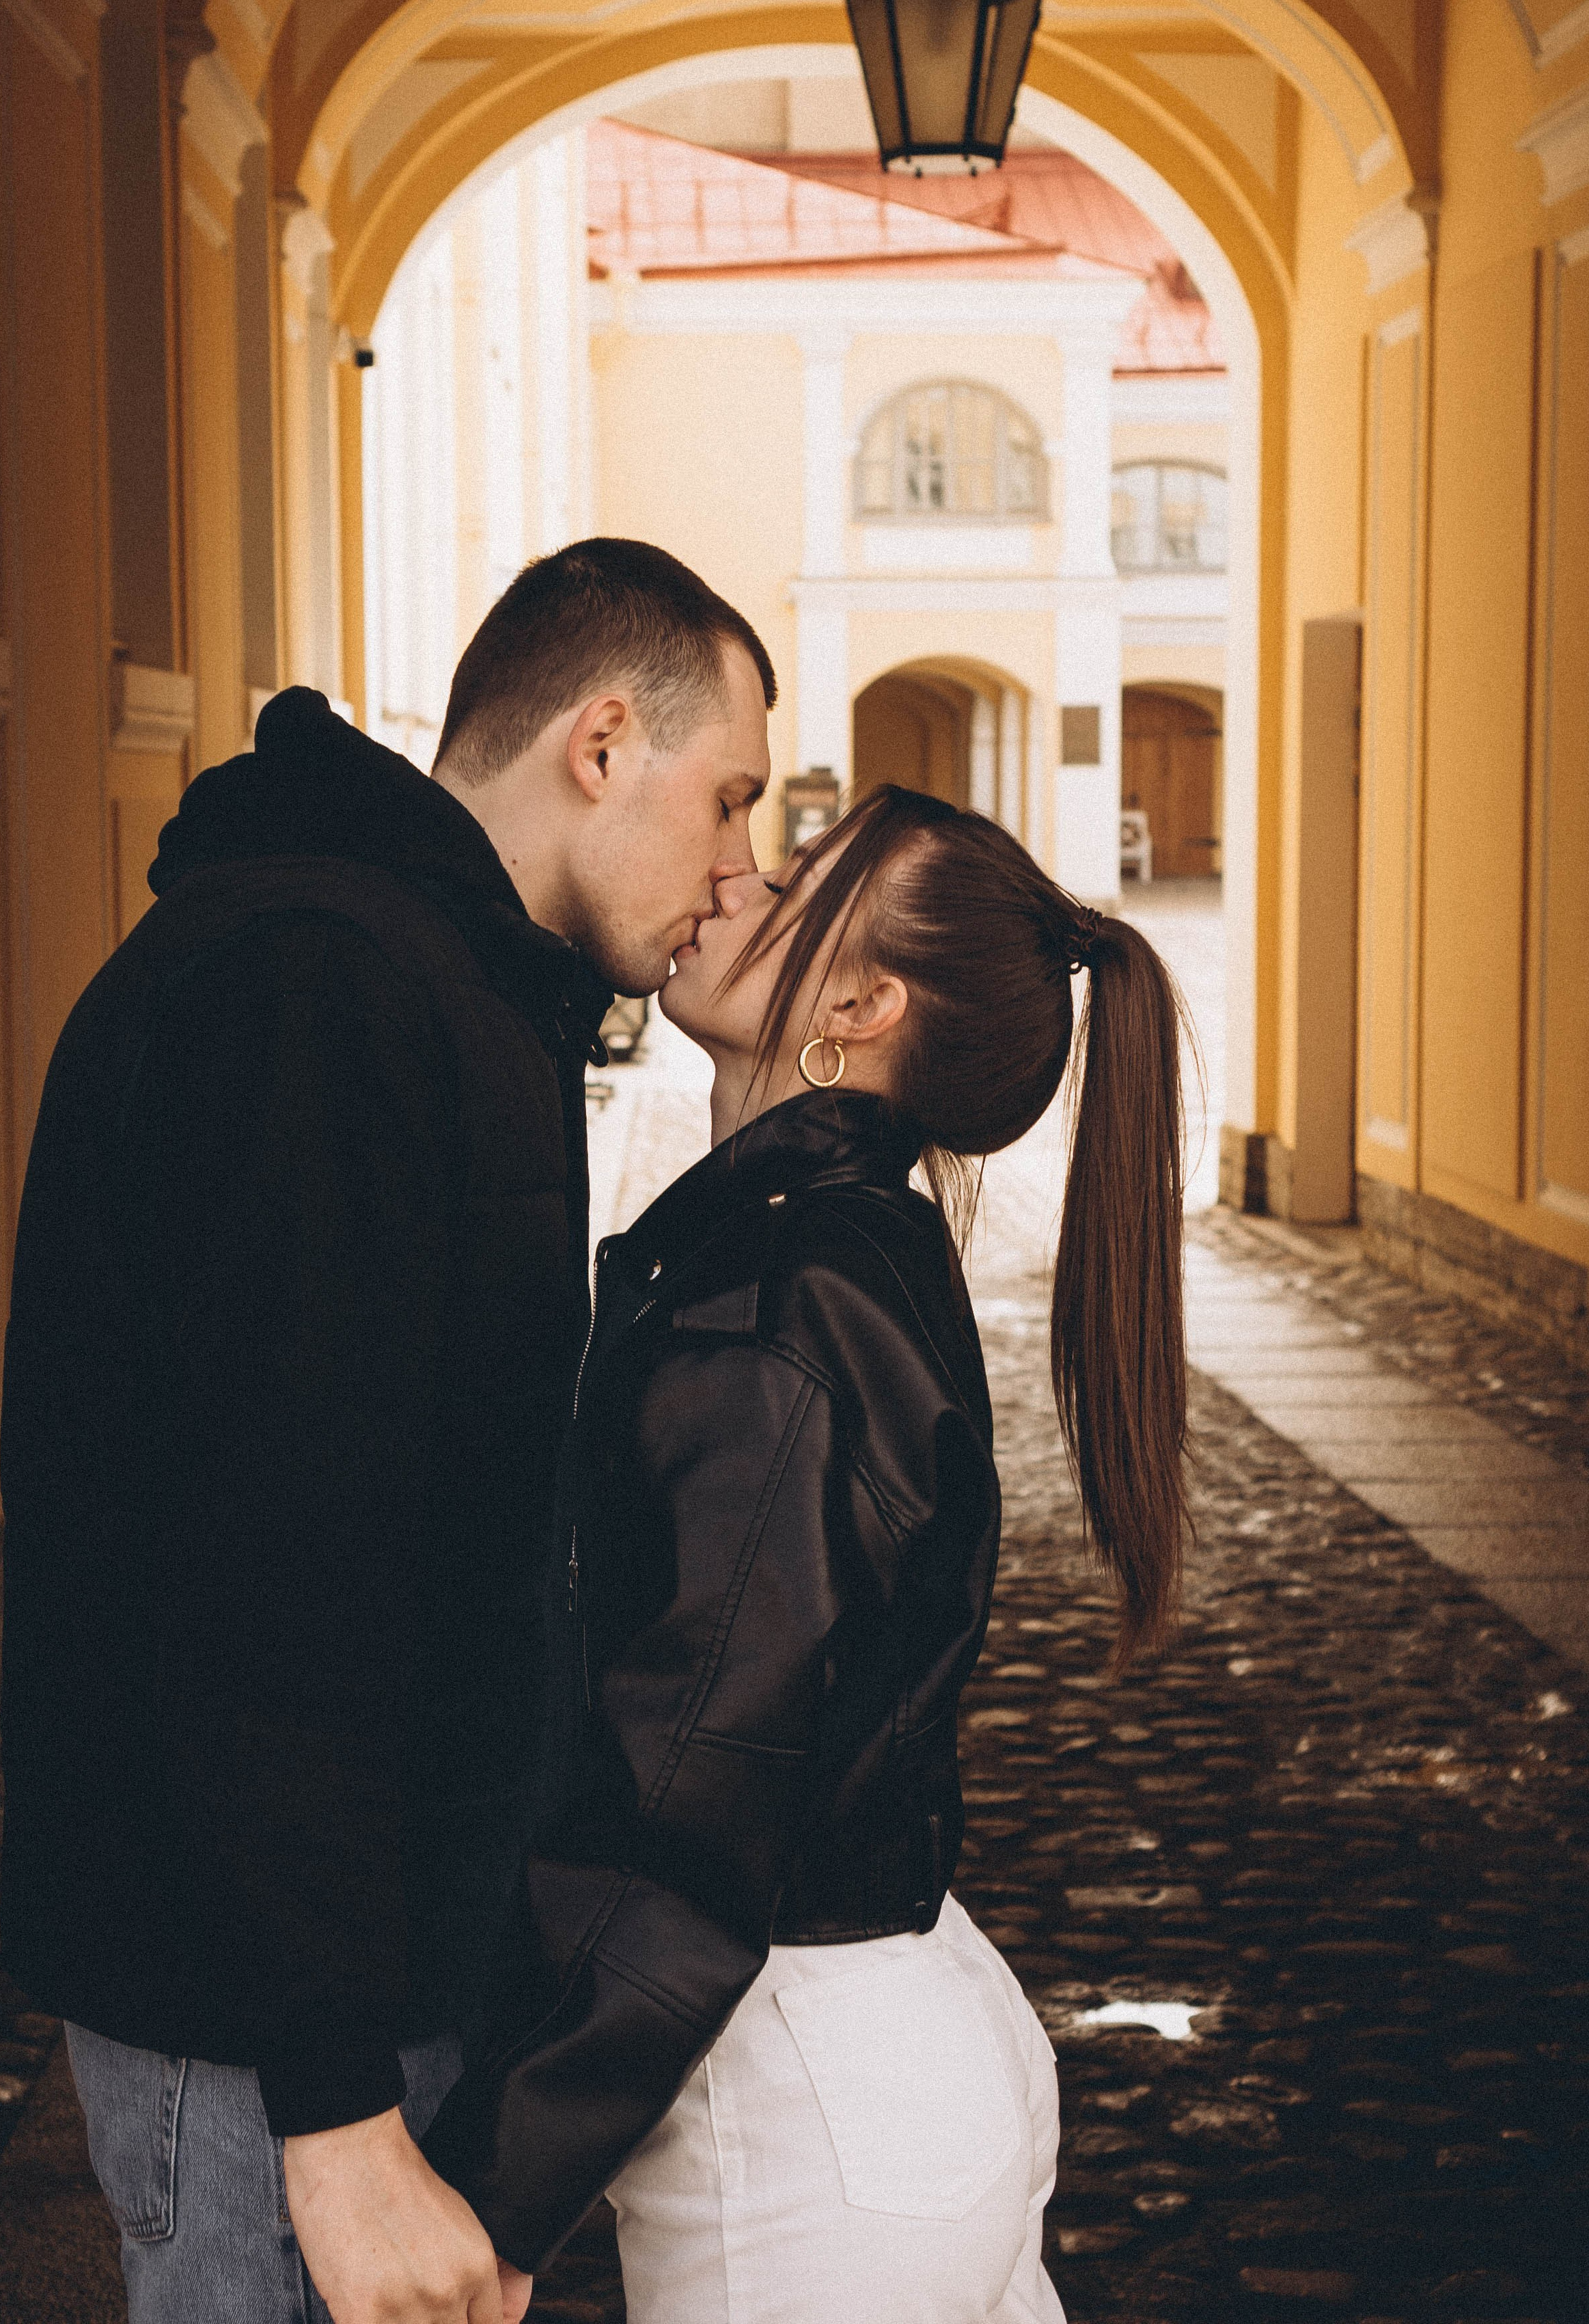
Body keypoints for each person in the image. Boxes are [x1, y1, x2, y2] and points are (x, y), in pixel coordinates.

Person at [0, 540, 775, 2324]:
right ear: (600, 744)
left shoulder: (432, 985)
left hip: (339, 1989)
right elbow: (259, 1576)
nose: (739, 868)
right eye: (725, 799)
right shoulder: (321, 1000)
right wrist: (337, 2111)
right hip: (267, 2042)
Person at [423, 782, 1191, 2322]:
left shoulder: (785, 1298)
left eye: (788, 887)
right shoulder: (830, 1255)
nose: (730, 882)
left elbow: (685, 1783)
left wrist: (486, 2204)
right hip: (898, 2058)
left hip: (807, 2129)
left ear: (855, 1000)